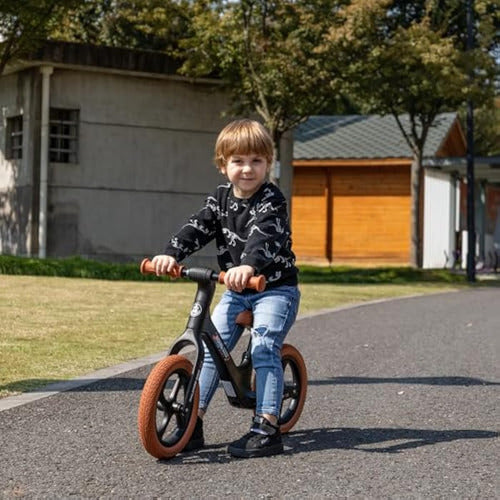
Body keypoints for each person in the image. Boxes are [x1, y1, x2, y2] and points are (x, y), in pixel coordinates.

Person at [152, 119, 300, 458]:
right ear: (223, 165)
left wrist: (249, 265)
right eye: (238, 161)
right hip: (236, 289)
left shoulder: (271, 200)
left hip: (274, 288)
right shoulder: (219, 199)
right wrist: (170, 254)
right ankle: (192, 422)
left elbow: (266, 235)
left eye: (256, 161)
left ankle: (266, 427)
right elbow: (197, 227)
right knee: (207, 351)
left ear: (268, 163)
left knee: (264, 349)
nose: (247, 169)